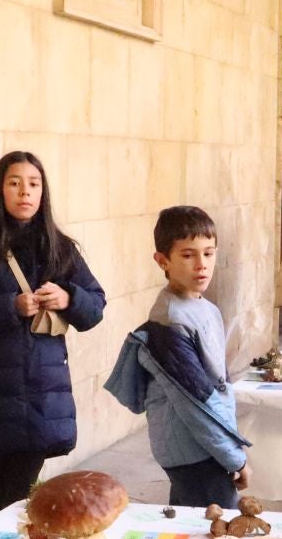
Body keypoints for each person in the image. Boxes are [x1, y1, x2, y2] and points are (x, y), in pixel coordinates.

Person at [0, 152, 107, 514]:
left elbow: (95, 308)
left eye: (33, 184)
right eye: (14, 183)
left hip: (43, 395)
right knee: (1, 500)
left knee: (15, 500)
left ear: (43, 192)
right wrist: (9, 307)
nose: (24, 192)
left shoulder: (60, 248)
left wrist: (68, 297)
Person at [103, 206, 252, 509]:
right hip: (191, 451)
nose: (202, 265)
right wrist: (235, 458)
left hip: (205, 446)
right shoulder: (169, 320)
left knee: (188, 528)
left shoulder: (205, 307)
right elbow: (196, 402)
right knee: (217, 534)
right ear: (163, 261)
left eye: (208, 253)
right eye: (188, 255)